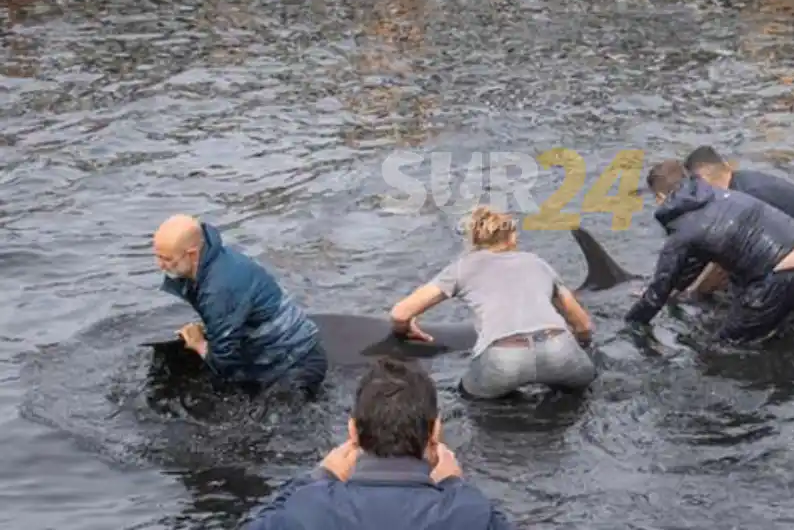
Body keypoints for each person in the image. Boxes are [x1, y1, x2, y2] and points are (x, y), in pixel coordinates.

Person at [243, 357, 516, 530]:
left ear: (353, 432)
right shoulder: (469, 513)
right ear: (435, 432)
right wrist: (455, 484)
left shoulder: (307, 508)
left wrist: (319, 475)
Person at [389, 205, 596, 400]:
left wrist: (405, 329)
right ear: (512, 237)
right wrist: (582, 347)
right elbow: (583, 325)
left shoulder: (462, 268)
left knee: (469, 399)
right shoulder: (538, 263)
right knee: (580, 394)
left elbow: (400, 313)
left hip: (504, 358)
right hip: (558, 347)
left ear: (474, 239)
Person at [626, 160, 794, 343]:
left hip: (783, 273)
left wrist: (631, 323)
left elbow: (658, 291)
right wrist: (678, 289)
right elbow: (696, 258)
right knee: (773, 326)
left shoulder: (683, 229)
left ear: (661, 198)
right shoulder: (717, 195)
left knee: (727, 343)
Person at [153, 214, 327, 398]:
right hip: (292, 351)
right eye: (157, 257)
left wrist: (199, 344)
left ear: (193, 254)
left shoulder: (219, 289)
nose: (161, 265)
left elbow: (225, 362)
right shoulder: (215, 257)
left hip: (296, 364)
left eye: (167, 259)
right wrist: (211, 328)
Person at [682, 146, 794, 302]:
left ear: (702, 180)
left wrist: (693, 293)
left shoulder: (743, 200)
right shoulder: (743, 181)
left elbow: (725, 260)